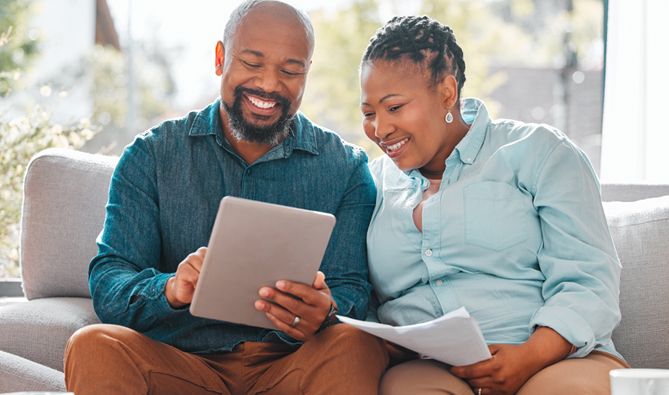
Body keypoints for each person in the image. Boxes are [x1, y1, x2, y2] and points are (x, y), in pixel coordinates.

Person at [63, 1, 388, 394]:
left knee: (357, 344)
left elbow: (352, 289)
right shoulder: (151, 155)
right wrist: (170, 289)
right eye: (252, 62)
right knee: (93, 346)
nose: (269, 85)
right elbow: (110, 280)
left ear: (306, 74)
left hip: (290, 365)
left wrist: (328, 310)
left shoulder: (346, 168)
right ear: (220, 58)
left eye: (290, 70)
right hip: (180, 363)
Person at [359, 15, 629, 395]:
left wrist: (530, 356)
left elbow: (589, 279)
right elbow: (362, 295)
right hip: (433, 369)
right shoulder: (370, 183)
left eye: (395, 107)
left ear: (447, 93)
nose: (380, 129)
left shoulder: (540, 152)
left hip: (556, 359)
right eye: (369, 113)